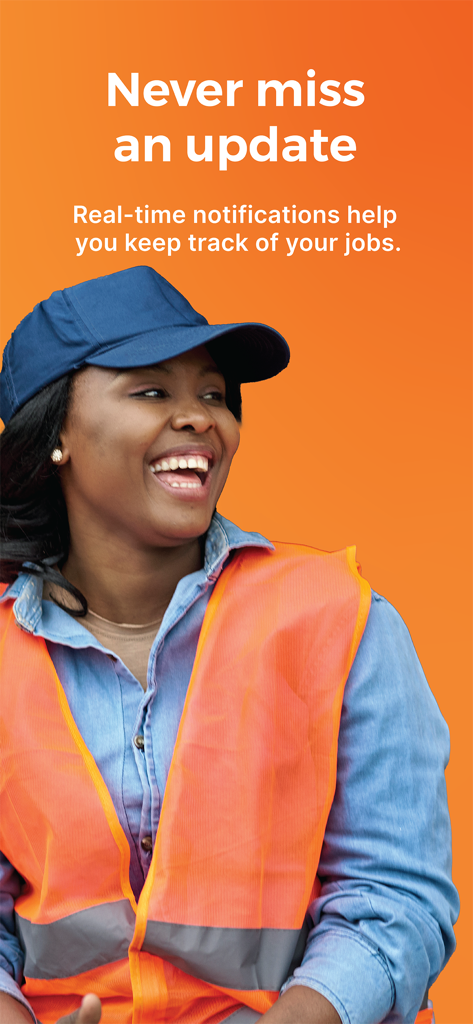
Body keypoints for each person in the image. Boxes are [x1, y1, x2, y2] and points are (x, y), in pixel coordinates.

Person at [0, 267, 457, 1024]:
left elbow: (393, 899)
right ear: (57, 438)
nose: (201, 419)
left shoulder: (339, 620)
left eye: (214, 395)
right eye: (153, 391)